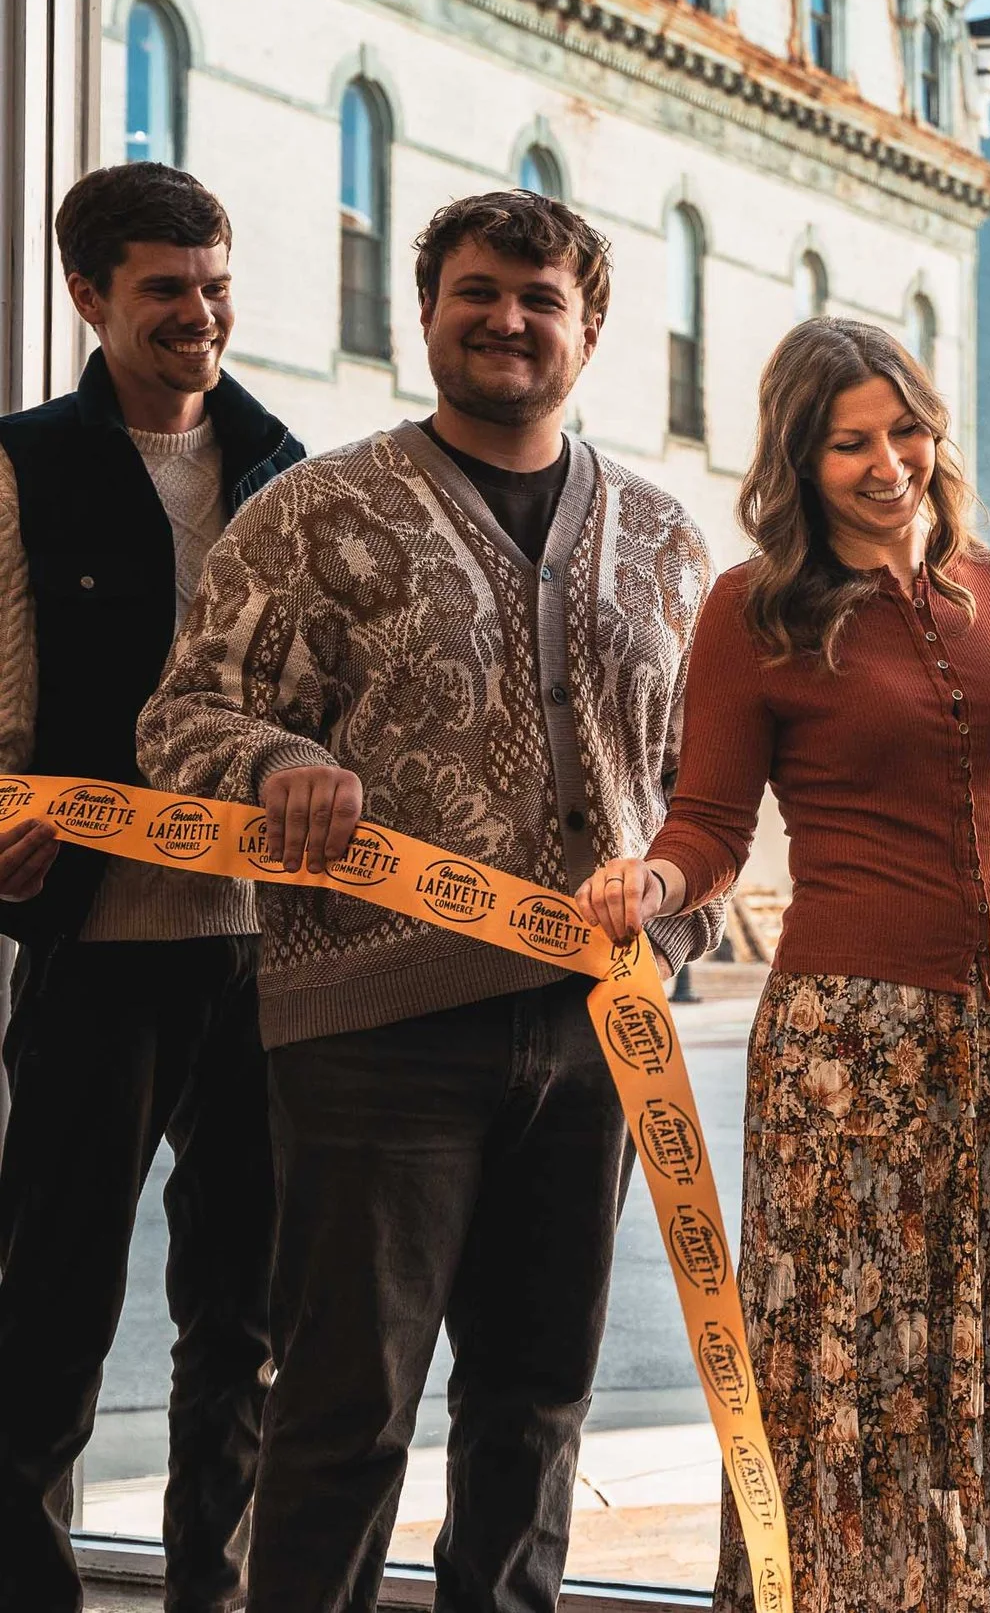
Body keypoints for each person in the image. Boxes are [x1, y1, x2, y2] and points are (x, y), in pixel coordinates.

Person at [135, 190, 720, 1611]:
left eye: (539, 297)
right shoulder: (313, 513)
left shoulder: (666, 539)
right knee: (344, 1404)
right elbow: (179, 721)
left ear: (588, 330)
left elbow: (707, 784)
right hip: (373, 1033)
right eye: (477, 291)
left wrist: (673, 905)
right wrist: (277, 757)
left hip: (597, 1033)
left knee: (537, 1403)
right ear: (426, 311)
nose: (507, 318)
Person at [576, 317, 990, 1610]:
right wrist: (652, 881)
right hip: (844, 1047)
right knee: (844, 1370)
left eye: (906, 431)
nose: (888, 464)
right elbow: (710, 821)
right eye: (850, 442)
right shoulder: (752, 610)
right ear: (801, 461)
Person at [0, 163, 303, 1613]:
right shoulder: (20, 466)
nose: (202, 311)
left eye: (217, 281)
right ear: (88, 297)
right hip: (96, 944)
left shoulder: (287, 471)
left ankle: (210, 1589)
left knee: (240, 1312)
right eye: (167, 287)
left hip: (267, 954)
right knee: (51, 1297)